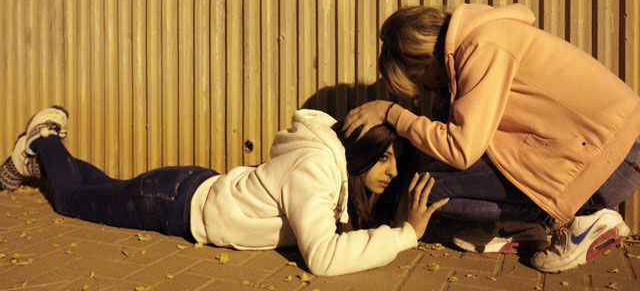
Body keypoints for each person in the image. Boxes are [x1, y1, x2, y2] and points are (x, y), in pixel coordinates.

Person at [343, 3, 640, 272]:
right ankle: (519, 228)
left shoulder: (482, 46)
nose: (424, 89)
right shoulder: (483, 39)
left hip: (613, 160)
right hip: (608, 153)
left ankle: (583, 219)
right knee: (433, 178)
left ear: (422, 62)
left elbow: (461, 150)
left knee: (427, 189)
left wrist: (393, 114)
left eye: (418, 81)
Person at [0, 106, 448, 276]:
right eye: (383, 157)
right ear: (360, 151)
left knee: (104, 190)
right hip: (174, 205)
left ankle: (34, 162)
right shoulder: (316, 169)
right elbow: (324, 258)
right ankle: (45, 140)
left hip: (186, 189)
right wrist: (405, 235)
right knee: (74, 203)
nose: (392, 171)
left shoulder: (326, 165)